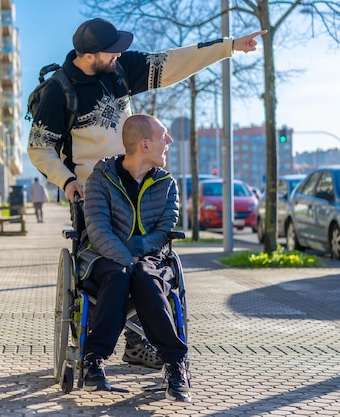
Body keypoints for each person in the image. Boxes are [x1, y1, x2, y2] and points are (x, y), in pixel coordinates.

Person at [27, 17, 265, 368]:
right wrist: (66, 180)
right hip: (95, 194)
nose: (119, 54)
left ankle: (138, 343)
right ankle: (93, 337)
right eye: (113, 50)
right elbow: (39, 147)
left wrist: (228, 47)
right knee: (109, 263)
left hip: (135, 185)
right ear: (91, 55)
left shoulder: (119, 69)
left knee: (146, 259)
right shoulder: (59, 91)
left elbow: (171, 63)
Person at [76, 113, 189, 401]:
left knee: (145, 276)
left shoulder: (167, 184)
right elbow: (98, 229)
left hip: (150, 259)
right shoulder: (101, 178)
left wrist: (137, 252)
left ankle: (176, 364)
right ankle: (93, 361)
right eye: (163, 135)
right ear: (144, 145)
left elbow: (164, 230)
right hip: (102, 257)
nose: (169, 141)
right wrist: (126, 259)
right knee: (118, 274)